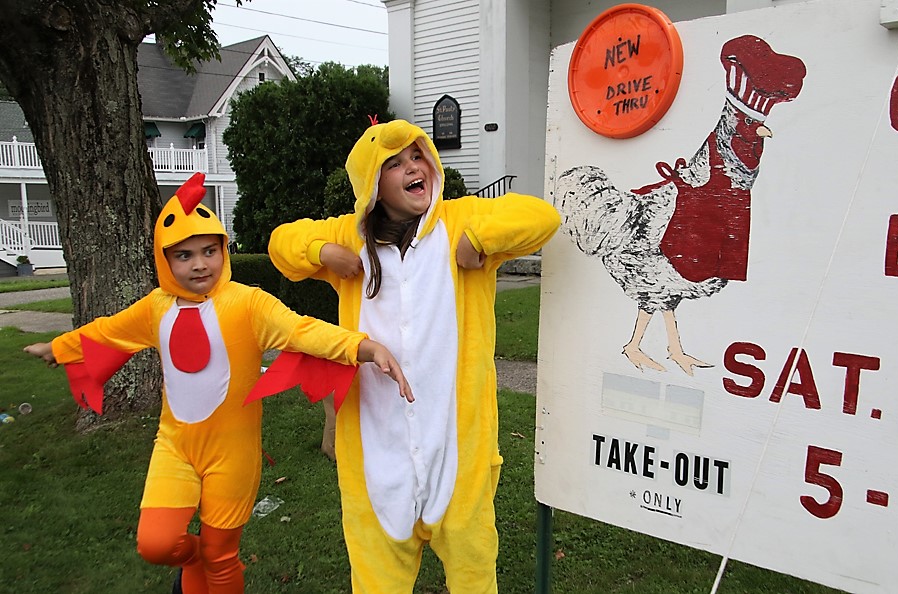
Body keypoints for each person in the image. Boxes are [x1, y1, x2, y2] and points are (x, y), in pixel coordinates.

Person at [23, 172, 412, 594]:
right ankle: (193, 560)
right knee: (157, 543)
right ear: (164, 259)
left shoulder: (247, 304)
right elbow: (107, 332)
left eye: (210, 251)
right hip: (175, 447)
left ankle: (207, 565)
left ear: (223, 251)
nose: (200, 264)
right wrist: (60, 348)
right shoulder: (155, 309)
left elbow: (303, 331)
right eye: (184, 255)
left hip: (233, 455)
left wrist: (365, 347)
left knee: (222, 557)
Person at [268, 118, 560, 593]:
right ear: (372, 184)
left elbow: (541, 217)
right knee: (377, 580)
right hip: (375, 451)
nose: (412, 167)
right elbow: (281, 243)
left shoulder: (461, 221)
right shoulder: (350, 236)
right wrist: (325, 251)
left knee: (474, 574)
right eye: (395, 163)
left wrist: (480, 241)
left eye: (417, 156)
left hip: (456, 452)